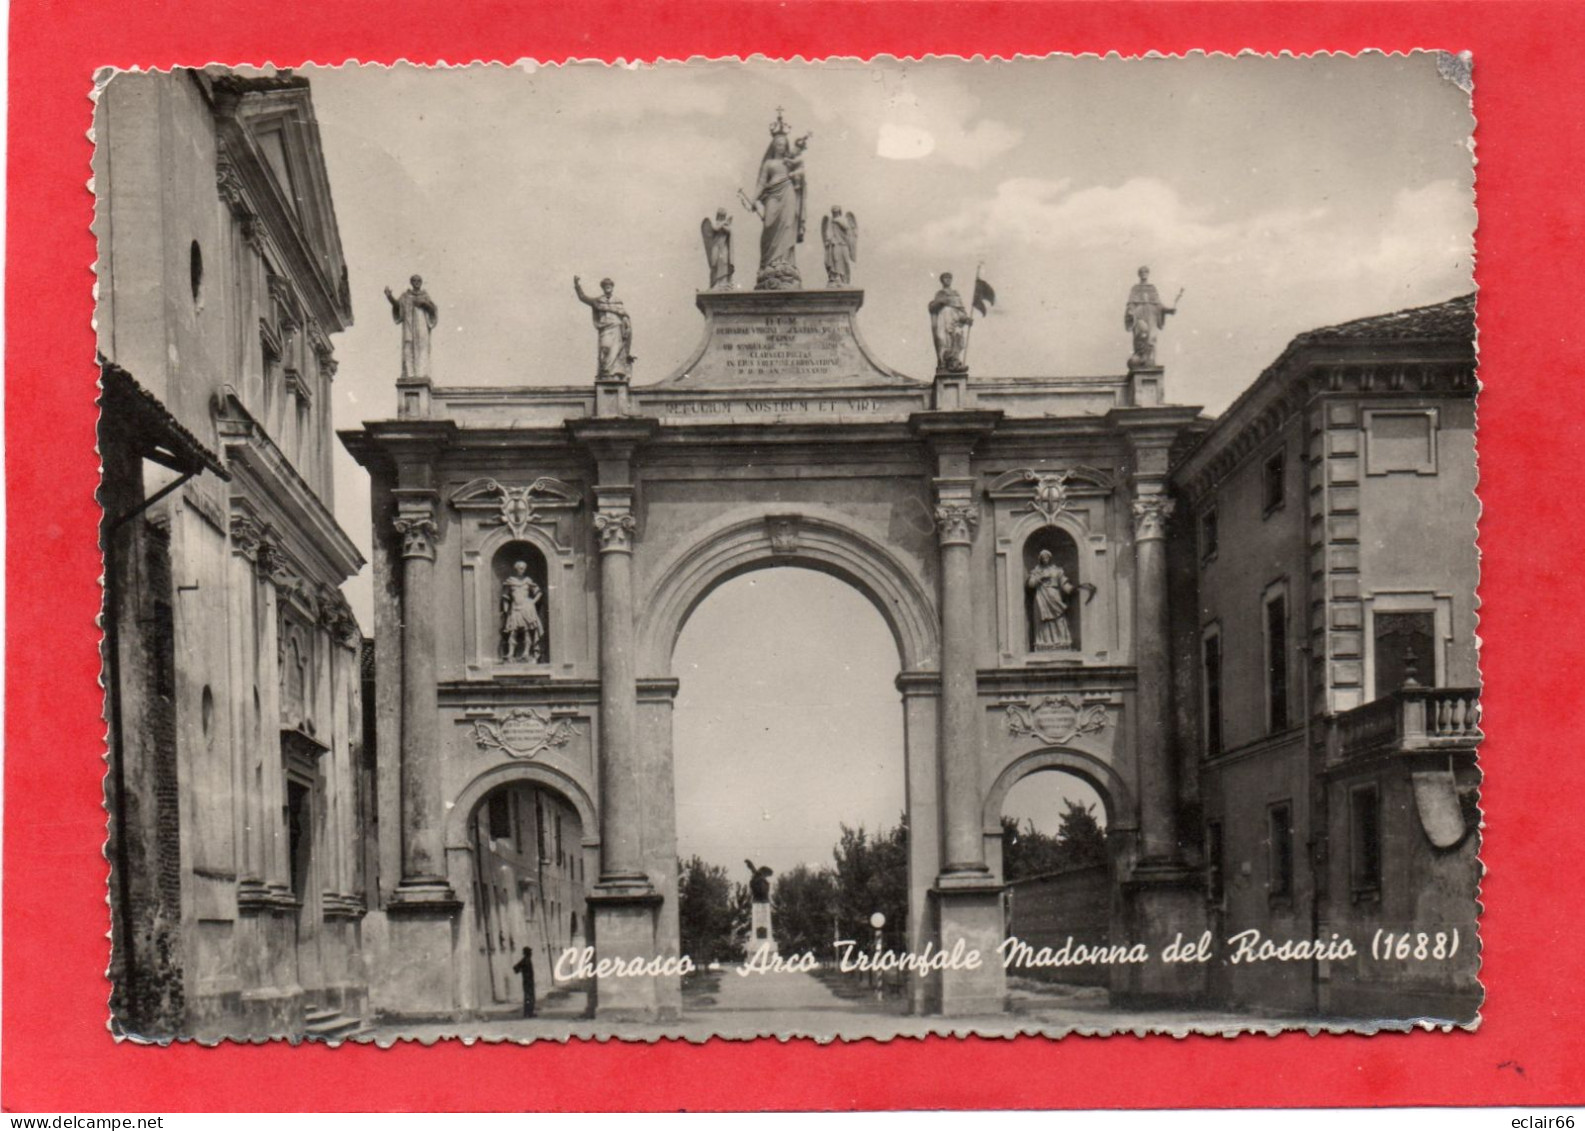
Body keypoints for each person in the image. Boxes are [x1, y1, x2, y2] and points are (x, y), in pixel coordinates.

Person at [739, 113, 811, 290]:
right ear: (773, 146)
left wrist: (798, 175)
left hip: (788, 194)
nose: (780, 146)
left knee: (787, 227)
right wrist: (753, 200)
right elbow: (761, 183)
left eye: (783, 144)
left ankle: (785, 265)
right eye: (777, 144)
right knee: (769, 228)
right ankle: (769, 265)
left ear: (786, 146)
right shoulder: (769, 163)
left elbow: (801, 174)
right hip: (772, 197)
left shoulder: (790, 162)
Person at [573, 276, 634, 380]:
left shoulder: (618, 301)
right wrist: (577, 285)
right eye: (606, 286)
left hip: (617, 329)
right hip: (605, 329)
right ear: (603, 288)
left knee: (617, 351)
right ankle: (605, 373)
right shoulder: (598, 300)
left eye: (609, 285)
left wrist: (627, 326)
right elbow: (583, 297)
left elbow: (624, 316)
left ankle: (614, 374)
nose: (608, 287)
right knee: (605, 348)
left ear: (612, 287)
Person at [384, 275, 438, 380]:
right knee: (408, 347)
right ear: (411, 282)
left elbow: (433, 310)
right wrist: (389, 297)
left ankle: (422, 375)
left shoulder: (425, 296)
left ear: (421, 282)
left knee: (422, 348)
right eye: (414, 280)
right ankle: (410, 374)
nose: (417, 282)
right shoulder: (405, 296)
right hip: (409, 327)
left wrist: (424, 304)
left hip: (421, 327)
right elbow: (397, 306)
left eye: (419, 280)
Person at [1124, 266, 1177, 368]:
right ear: (1139, 274)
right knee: (1142, 332)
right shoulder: (1135, 288)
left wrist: (1169, 310)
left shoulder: (1152, 288)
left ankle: (1149, 360)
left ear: (1148, 273)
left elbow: (1159, 305)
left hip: (1152, 313)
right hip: (1139, 313)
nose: (1144, 273)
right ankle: (1140, 356)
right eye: (1142, 272)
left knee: (1151, 338)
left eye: (1146, 272)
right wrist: (1130, 311)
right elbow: (1130, 303)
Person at [1028, 549, 1077, 651]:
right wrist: (1040, 577)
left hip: (1054, 595)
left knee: (1059, 618)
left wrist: (1070, 588)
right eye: (1043, 557)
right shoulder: (1036, 571)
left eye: (1046, 557)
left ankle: (1062, 641)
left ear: (1050, 558)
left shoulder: (1057, 570)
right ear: (1040, 559)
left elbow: (1063, 583)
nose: (1045, 559)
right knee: (1044, 620)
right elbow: (1031, 584)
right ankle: (1045, 643)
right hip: (1041, 596)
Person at [500, 561, 544, 662]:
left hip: (527, 608)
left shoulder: (528, 580)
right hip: (515, 608)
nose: (522, 570)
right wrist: (506, 610)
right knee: (512, 631)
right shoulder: (510, 581)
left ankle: (526, 653)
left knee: (527, 631)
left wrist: (532, 602)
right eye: (520, 568)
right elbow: (505, 597)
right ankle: (510, 653)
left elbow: (539, 592)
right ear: (515, 568)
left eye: (524, 568)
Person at [929, 272, 972, 373]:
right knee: (943, 339)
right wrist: (939, 302)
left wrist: (966, 319)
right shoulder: (940, 293)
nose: (947, 279)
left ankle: (955, 362)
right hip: (944, 317)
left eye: (949, 278)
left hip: (956, 318)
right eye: (945, 278)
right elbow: (932, 307)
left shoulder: (956, 294)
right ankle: (944, 362)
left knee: (956, 339)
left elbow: (961, 309)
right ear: (942, 280)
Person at [821, 207, 858, 287]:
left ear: (839, 211)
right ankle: (835, 278)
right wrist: (828, 240)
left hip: (843, 244)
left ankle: (844, 280)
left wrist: (837, 220)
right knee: (835, 260)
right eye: (833, 212)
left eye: (836, 211)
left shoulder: (843, 219)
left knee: (845, 261)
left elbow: (846, 227)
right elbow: (828, 232)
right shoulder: (830, 221)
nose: (835, 213)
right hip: (834, 244)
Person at [700, 208, 735, 290]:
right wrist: (723, 223)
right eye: (721, 215)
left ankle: (723, 283)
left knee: (724, 263)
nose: (722, 217)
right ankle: (714, 283)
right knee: (714, 263)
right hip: (716, 246)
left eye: (723, 216)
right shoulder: (717, 224)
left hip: (724, 248)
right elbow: (715, 228)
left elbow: (729, 231)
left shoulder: (726, 226)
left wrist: (724, 225)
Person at [512, 946, 537, 1019]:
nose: (531, 953)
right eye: (530, 952)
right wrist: (522, 971)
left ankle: (528, 1012)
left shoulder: (527, 960)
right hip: (527, 982)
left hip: (528, 981)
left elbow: (516, 969)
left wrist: (522, 971)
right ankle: (528, 1013)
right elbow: (515, 968)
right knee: (529, 997)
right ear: (527, 953)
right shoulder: (525, 960)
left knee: (529, 997)